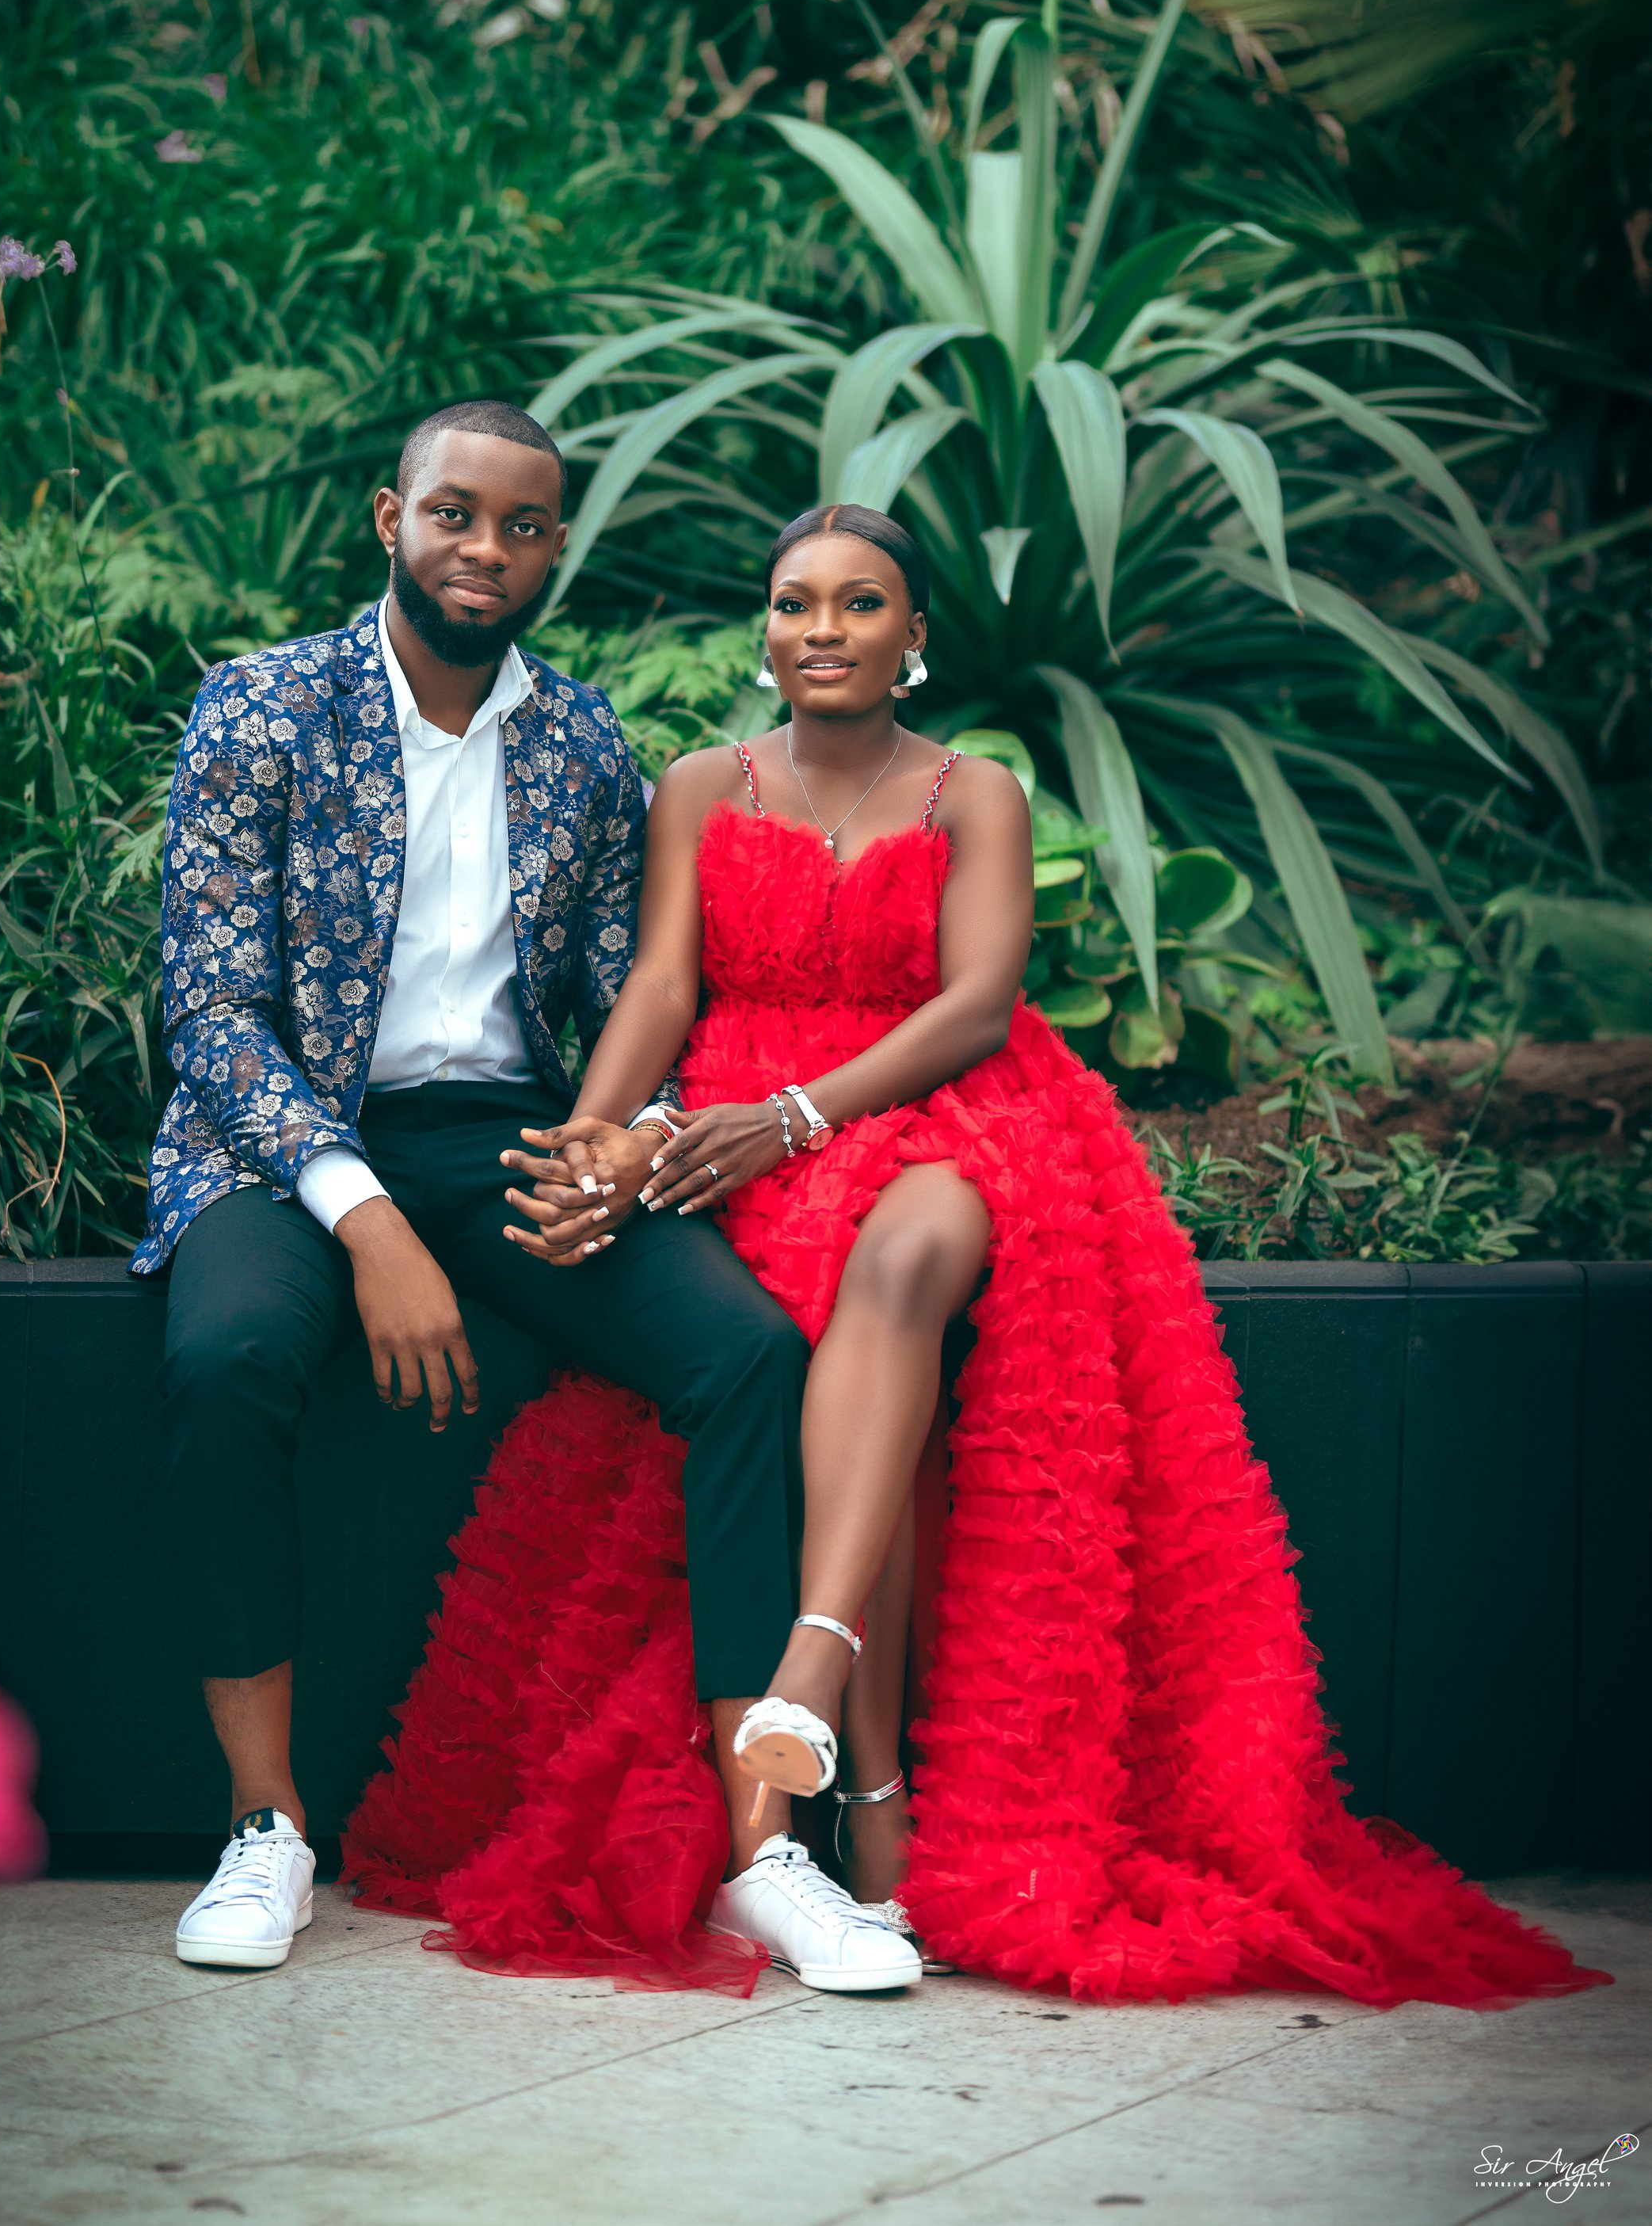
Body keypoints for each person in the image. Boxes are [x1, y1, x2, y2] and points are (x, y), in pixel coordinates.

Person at [343, 501, 1604, 2011]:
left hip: (939, 1109)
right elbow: (663, 985)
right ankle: (872, 1799)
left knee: (897, 1264)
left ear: (915, 635)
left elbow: (977, 1005)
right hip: (742, 1107)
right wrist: (597, 1141)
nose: (822, 629)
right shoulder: (700, 784)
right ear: (766, 630)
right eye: (795, 603)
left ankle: (810, 1673)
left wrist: (797, 1117)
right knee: (835, 1355)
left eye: (859, 602)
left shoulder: (975, 792)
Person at [133, 402, 908, 1986]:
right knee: (226, 1357)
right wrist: (364, 1220)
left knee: (746, 1353)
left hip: (508, 1133)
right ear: (390, 519)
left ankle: (762, 1849)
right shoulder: (262, 706)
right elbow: (210, 1014)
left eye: (523, 525)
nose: (484, 549)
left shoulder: (582, 742)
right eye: (454, 514)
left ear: (554, 546)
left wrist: (631, 1142)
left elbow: (640, 992)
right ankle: (266, 1827)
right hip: (288, 1139)